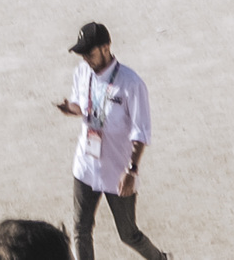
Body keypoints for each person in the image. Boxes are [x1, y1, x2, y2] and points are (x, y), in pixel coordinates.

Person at [49, 22, 164, 260]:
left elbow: (141, 132)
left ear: (106, 47)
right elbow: (83, 106)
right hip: (86, 164)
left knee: (128, 233)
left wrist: (131, 170)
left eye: (89, 54)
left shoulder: (131, 84)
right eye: (82, 55)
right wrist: (71, 108)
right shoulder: (82, 72)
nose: (86, 60)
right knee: (81, 229)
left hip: (117, 170)